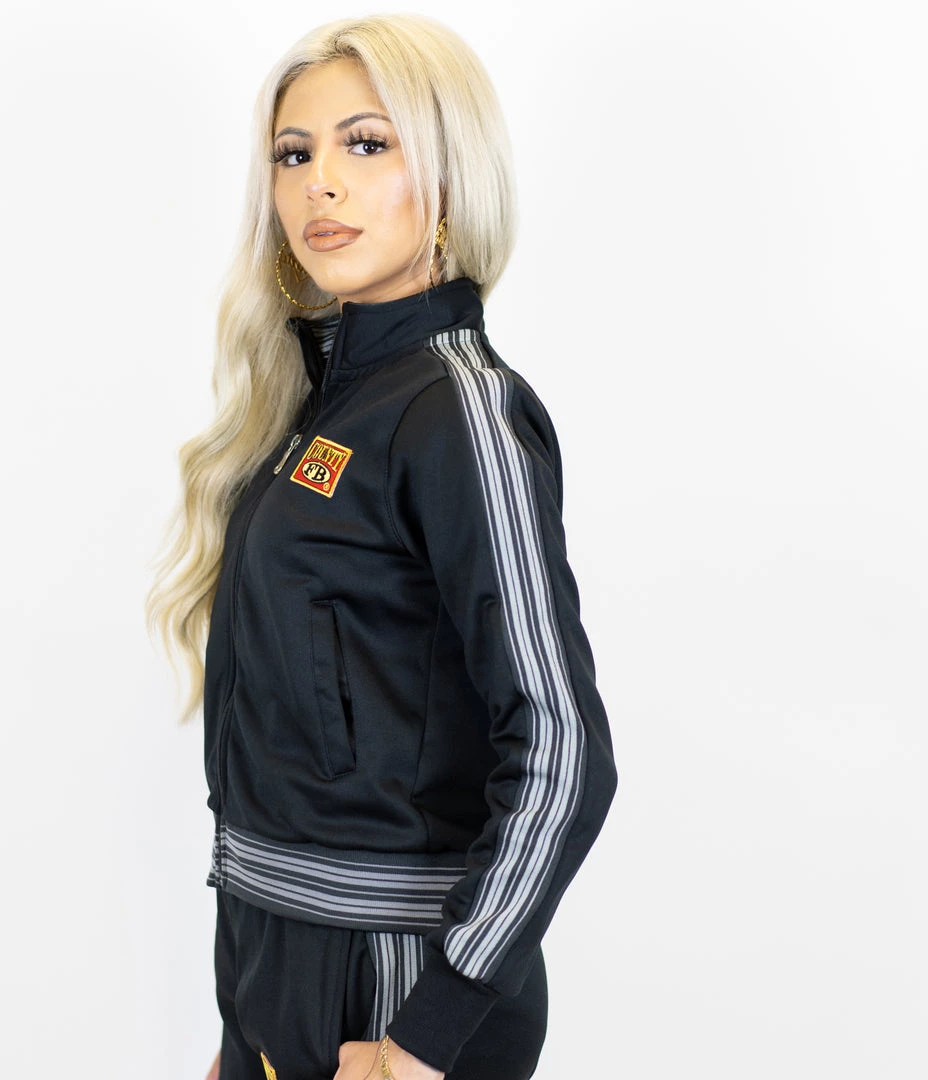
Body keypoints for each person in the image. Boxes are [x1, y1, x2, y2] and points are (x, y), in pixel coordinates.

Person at [145, 13, 618, 1080]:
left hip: (396, 987)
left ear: (449, 171)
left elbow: (562, 750)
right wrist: (243, 1027)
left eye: (366, 144)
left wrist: (428, 1034)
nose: (321, 182)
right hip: (276, 965)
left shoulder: (461, 411)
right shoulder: (317, 411)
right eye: (293, 154)